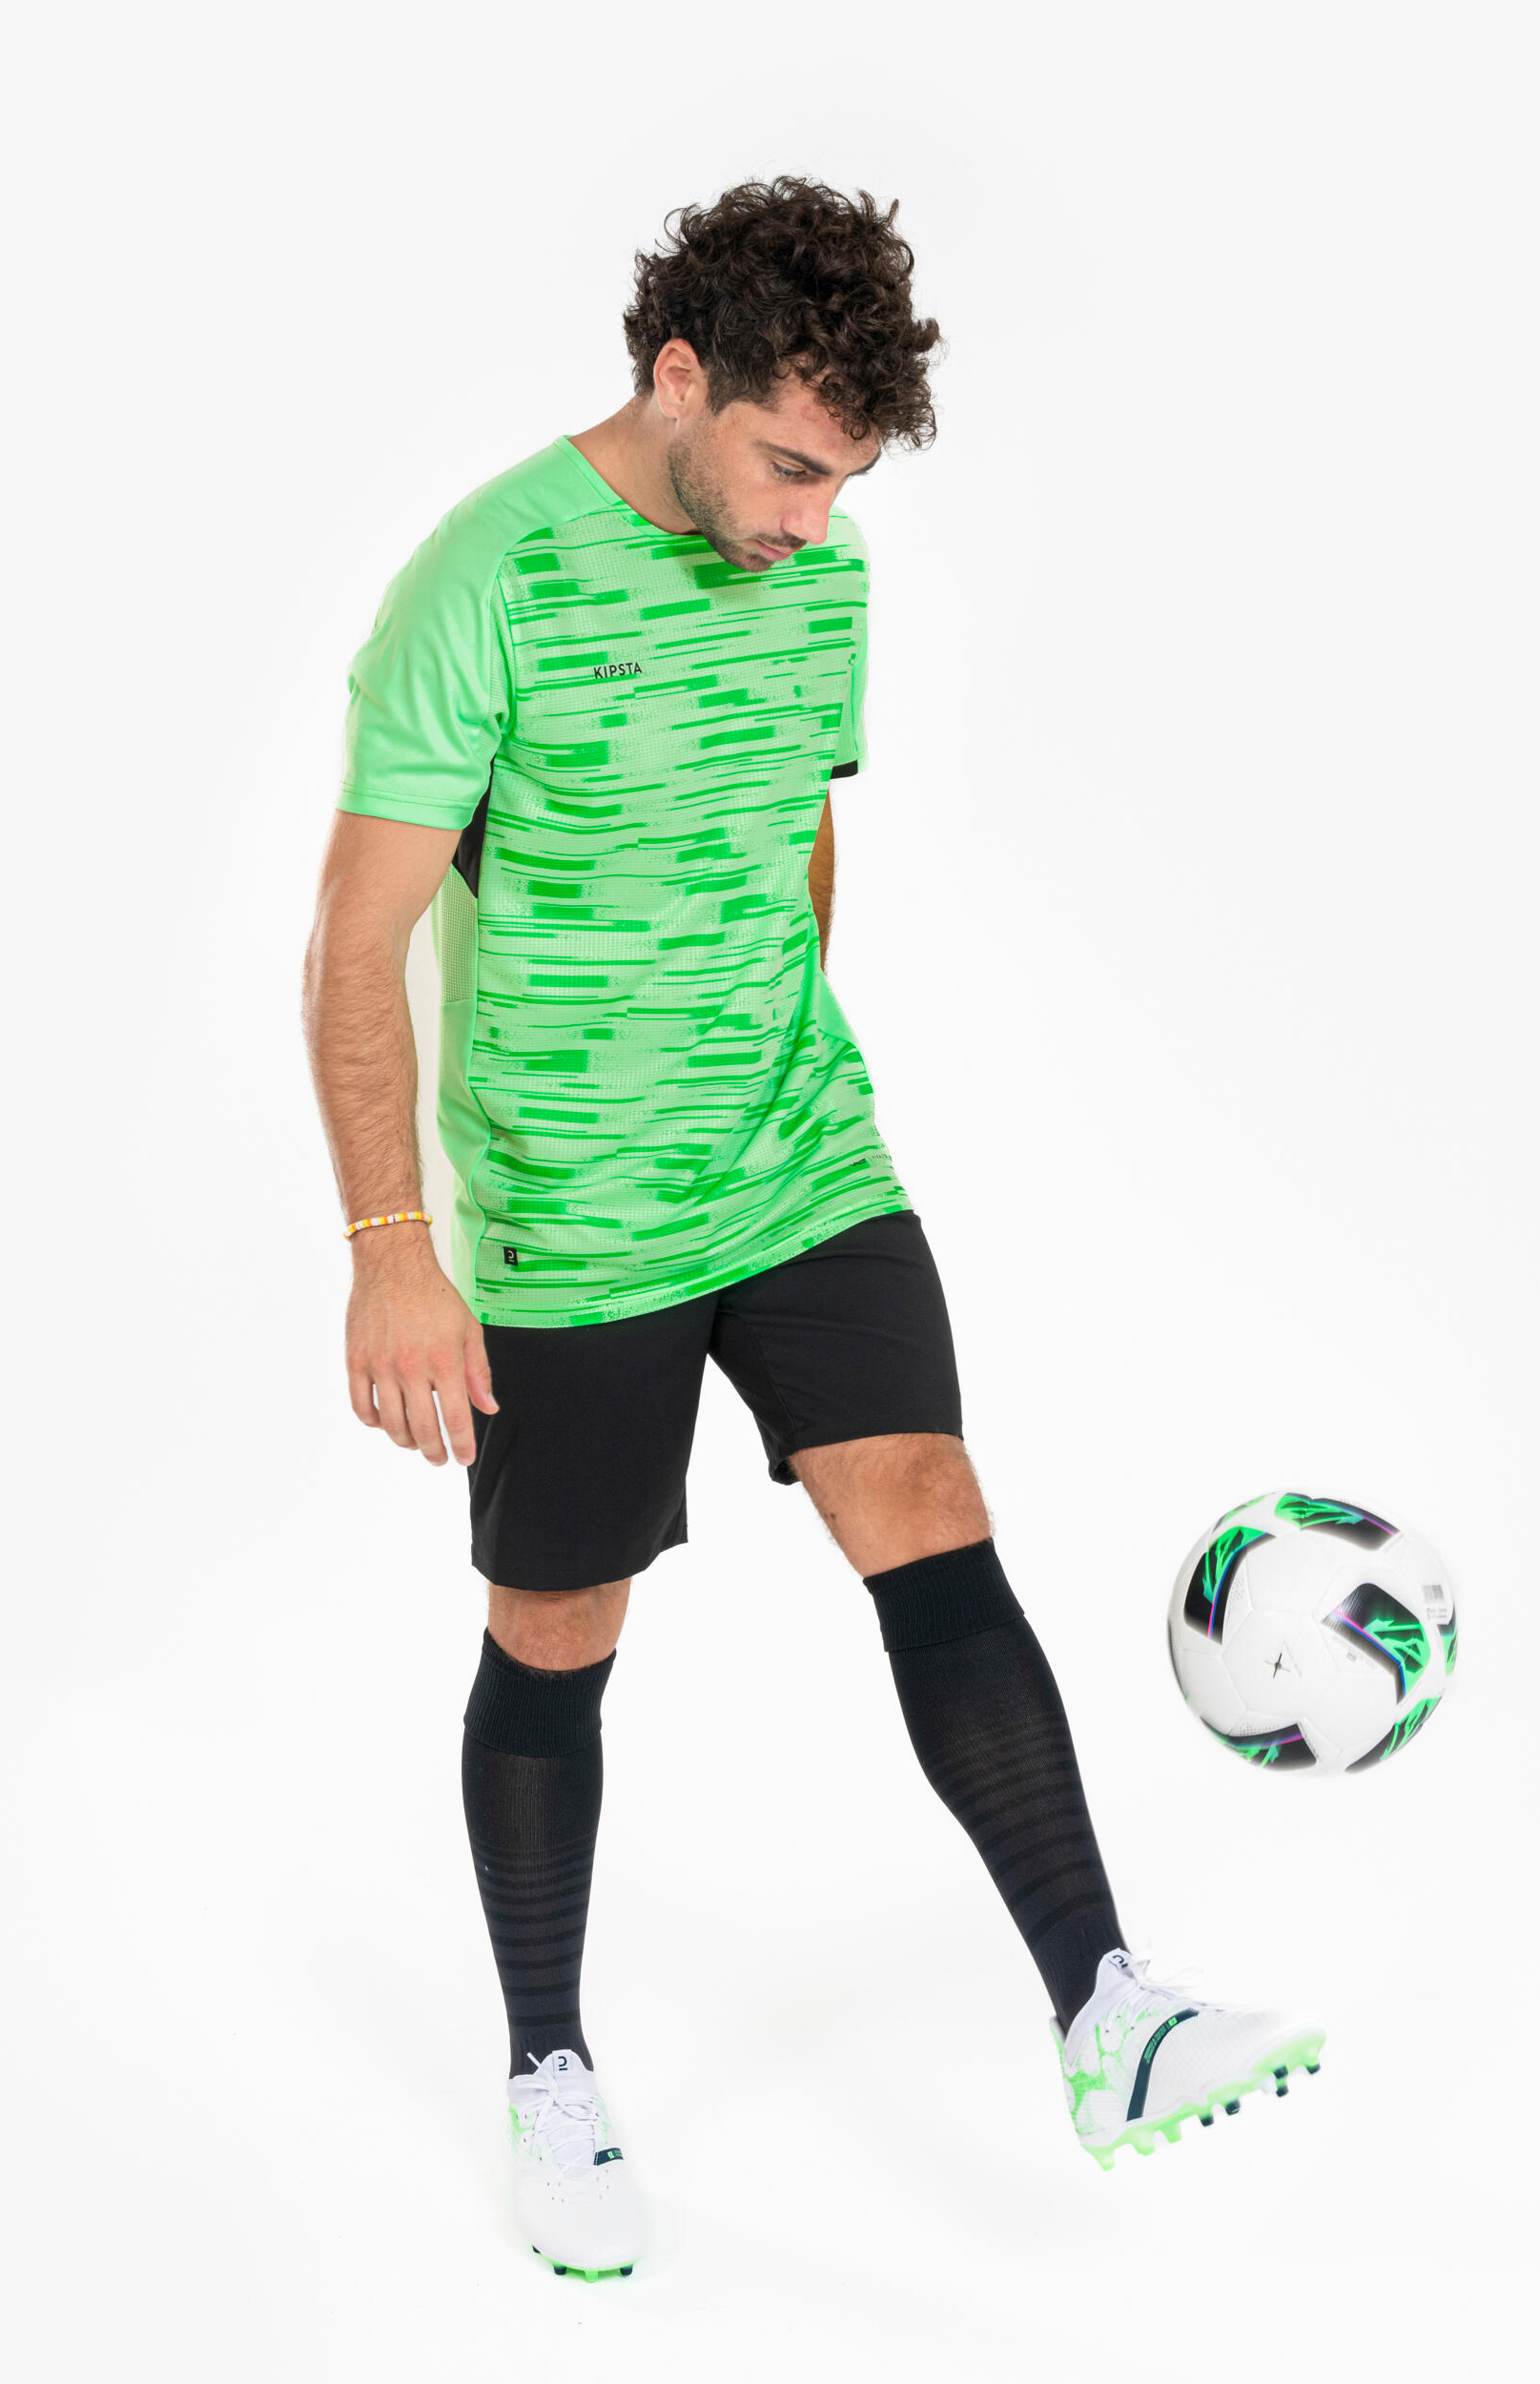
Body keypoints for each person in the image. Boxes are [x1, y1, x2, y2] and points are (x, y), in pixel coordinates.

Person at [302, 177, 1323, 2280]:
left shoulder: (820, 573)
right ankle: (549, 2066)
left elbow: (793, 826)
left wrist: (780, 1042)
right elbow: (353, 937)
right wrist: (394, 1241)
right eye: (785, 463)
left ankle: (1107, 2011)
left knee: (931, 1506)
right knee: (556, 1632)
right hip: (574, 1213)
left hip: (795, 1152)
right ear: (676, 375)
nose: (809, 517)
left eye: (844, 480)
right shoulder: (484, 579)